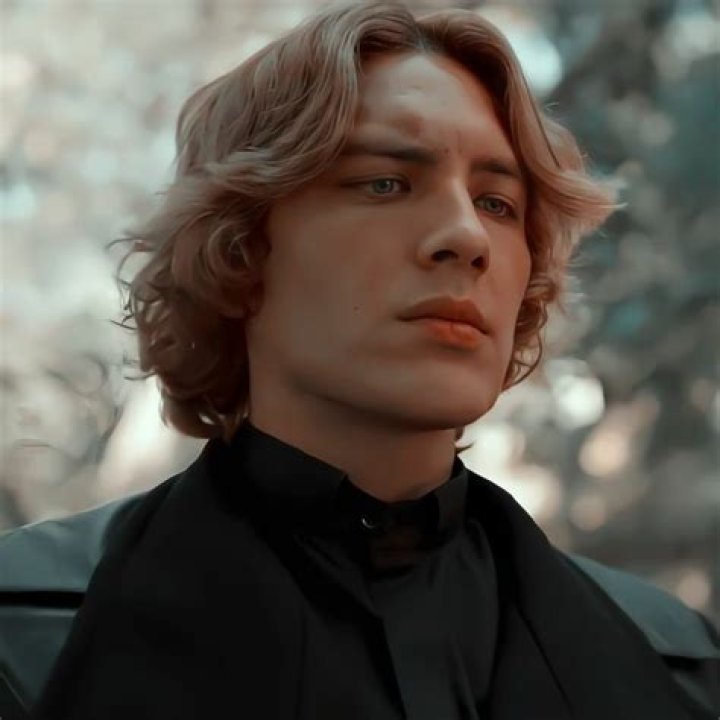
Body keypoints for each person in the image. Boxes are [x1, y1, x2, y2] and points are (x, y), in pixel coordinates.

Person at [0, 2, 717, 718]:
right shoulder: (30, 636)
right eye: (385, 183)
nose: (467, 237)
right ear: (239, 250)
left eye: (498, 203)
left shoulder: (680, 667)